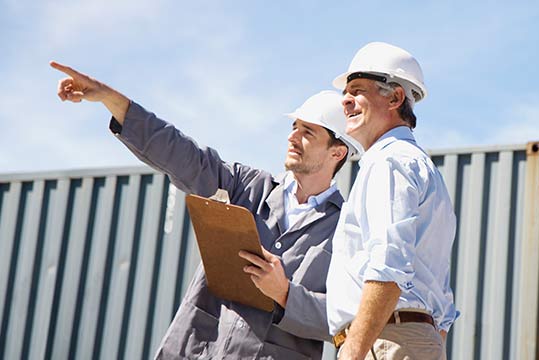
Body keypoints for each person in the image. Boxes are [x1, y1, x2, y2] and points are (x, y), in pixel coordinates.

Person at [51, 61, 362, 360]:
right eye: (294, 127)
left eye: (308, 132)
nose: (292, 137)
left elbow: (346, 318)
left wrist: (285, 295)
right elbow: (182, 155)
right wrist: (110, 99)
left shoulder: (348, 229)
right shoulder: (246, 188)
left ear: (337, 152)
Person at [325, 42, 458, 360]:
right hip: (400, 339)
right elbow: (444, 306)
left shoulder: (388, 161)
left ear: (396, 97)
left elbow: (388, 264)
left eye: (357, 90)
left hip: (383, 341)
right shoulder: (417, 165)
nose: (345, 100)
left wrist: (354, 349)